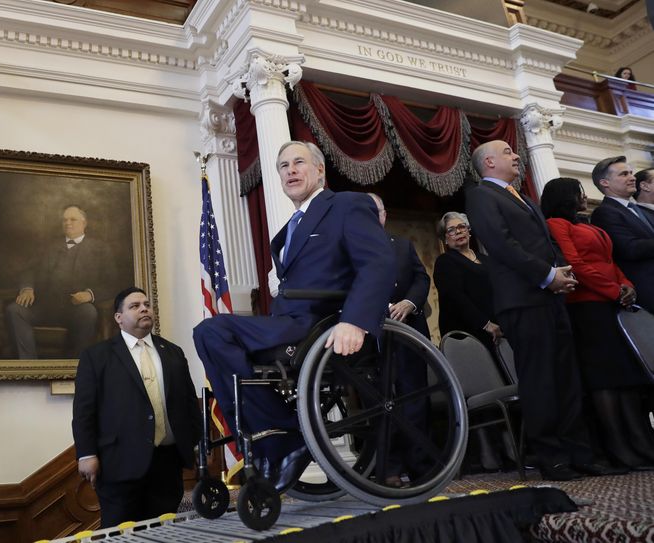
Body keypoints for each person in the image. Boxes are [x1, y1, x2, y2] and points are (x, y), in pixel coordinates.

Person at [193, 141, 395, 491]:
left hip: (318, 326)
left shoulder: (346, 205)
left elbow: (379, 263)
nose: (290, 170)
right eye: (283, 166)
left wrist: (355, 320)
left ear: (320, 170)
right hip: (286, 324)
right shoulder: (288, 229)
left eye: (299, 162)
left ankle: (282, 435)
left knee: (212, 331)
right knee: (208, 334)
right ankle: (274, 436)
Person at [465, 140, 623, 481]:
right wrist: (547, 276)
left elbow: (549, 243)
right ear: (489, 162)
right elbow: (502, 244)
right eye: (507, 152)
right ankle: (550, 457)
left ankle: (578, 453)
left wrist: (562, 273)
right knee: (541, 382)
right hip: (522, 301)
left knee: (567, 380)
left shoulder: (522, 196)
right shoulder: (481, 196)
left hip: (551, 299)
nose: (516, 155)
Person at [541, 177, 654, 470]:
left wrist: (626, 285)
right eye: (578, 192)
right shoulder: (556, 223)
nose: (583, 196)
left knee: (626, 379)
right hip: (586, 308)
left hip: (610, 306)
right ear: (565, 196)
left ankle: (641, 444)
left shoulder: (586, 223)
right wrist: (613, 289)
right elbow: (575, 265)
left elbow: (611, 260)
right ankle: (618, 448)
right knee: (605, 380)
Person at [73, 287, 202, 528]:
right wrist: (86, 454)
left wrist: (192, 442)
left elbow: (188, 403)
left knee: (163, 532)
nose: (144, 308)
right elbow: (84, 411)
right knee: (121, 534)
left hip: (167, 463)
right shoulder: (97, 356)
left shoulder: (173, 352)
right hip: (119, 464)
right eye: (134, 306)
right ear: (118, 318)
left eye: (147, 304)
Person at [369, 193, 431, 486]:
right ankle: (389, 468)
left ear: (384, 215)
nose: (373, 215)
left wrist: (410, 302)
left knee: (416, 400)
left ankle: (421, 467)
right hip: (374, 338)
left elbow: (422, 279)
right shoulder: (350, 248)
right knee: (383, 402)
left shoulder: (403, 246)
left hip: (410, 333)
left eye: (377, 210)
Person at [6, 204, 118, 359]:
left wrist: (89, 295)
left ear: (84, 223)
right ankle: (28, 365)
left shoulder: (100, 249)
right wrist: (27, 288)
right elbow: (28, 270)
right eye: (65, 220)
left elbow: (112, 283)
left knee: (88, 312)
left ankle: (77, 366)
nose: (68, 223)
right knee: (15, 310)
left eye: (73, 219)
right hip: (44, 307)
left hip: (75, 310)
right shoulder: (48, 246)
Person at [590, 157, 654, 313]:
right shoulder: (605, 212)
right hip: (646, 292)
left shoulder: (642, 210)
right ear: (605, 183)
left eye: (631, 173)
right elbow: (629, 249)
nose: (632, 178)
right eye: (624, 174)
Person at [433, 212, 503, 350]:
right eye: (451, 230)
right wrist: (485, 324)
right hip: (467, 334)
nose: (458, 231)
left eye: (461, 227)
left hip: (498, 330)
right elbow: (455, 298)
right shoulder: (445, 262)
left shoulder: (486, 259)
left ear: (468, 231)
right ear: (445, 239)